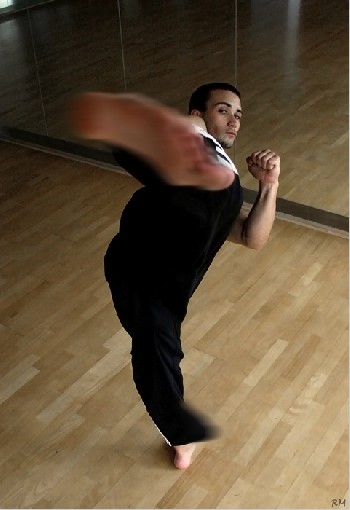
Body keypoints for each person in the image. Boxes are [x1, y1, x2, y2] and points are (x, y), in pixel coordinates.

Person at [68, 83, 280, 469]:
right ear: (198, 114)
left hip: (174, 282)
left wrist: (269, 185)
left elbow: (253, 237)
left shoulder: (225, 178)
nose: (233, 120)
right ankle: (181, 435)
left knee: (162, 345)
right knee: (155, 350)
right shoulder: (192, 142)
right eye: (223, 110)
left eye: (238, 114)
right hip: (138, 267)